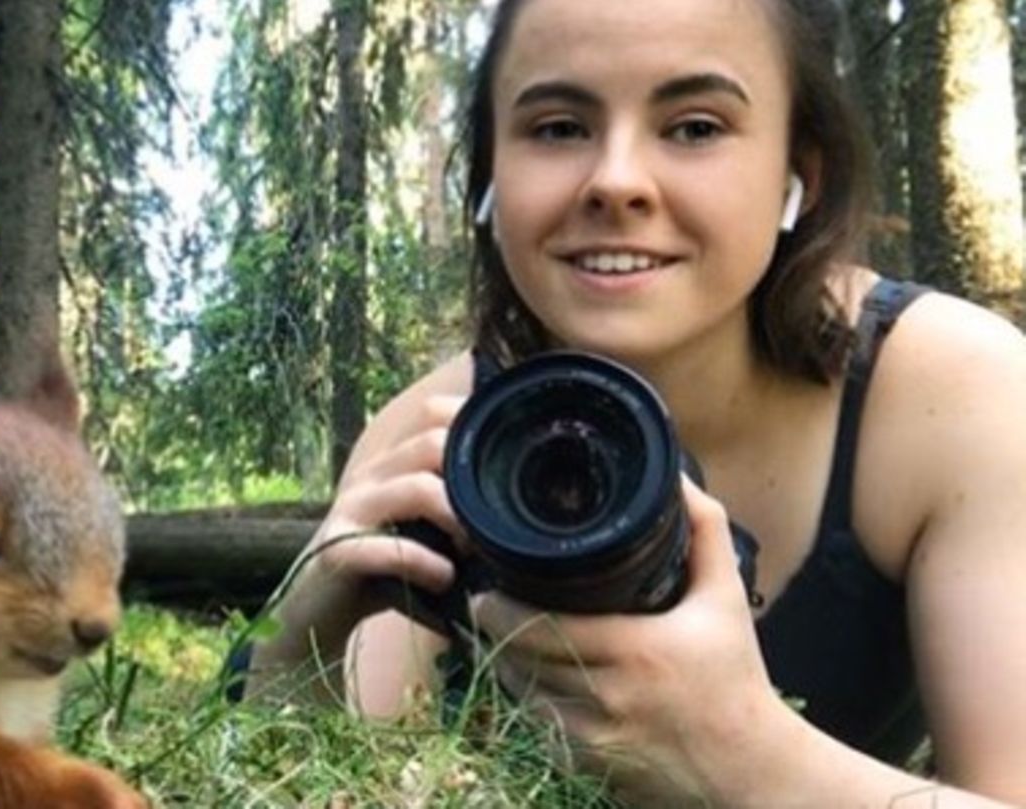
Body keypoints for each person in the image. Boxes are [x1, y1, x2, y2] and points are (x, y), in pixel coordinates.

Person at [243, 0, 1026, 804]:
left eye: (694, 127)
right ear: (489, 179)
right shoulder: (434, 443)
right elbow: (336, 777)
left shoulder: (951, 395)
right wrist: (292, 656)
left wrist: (742, 749)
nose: (616, 181)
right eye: (556, 127)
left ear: (801, 172)